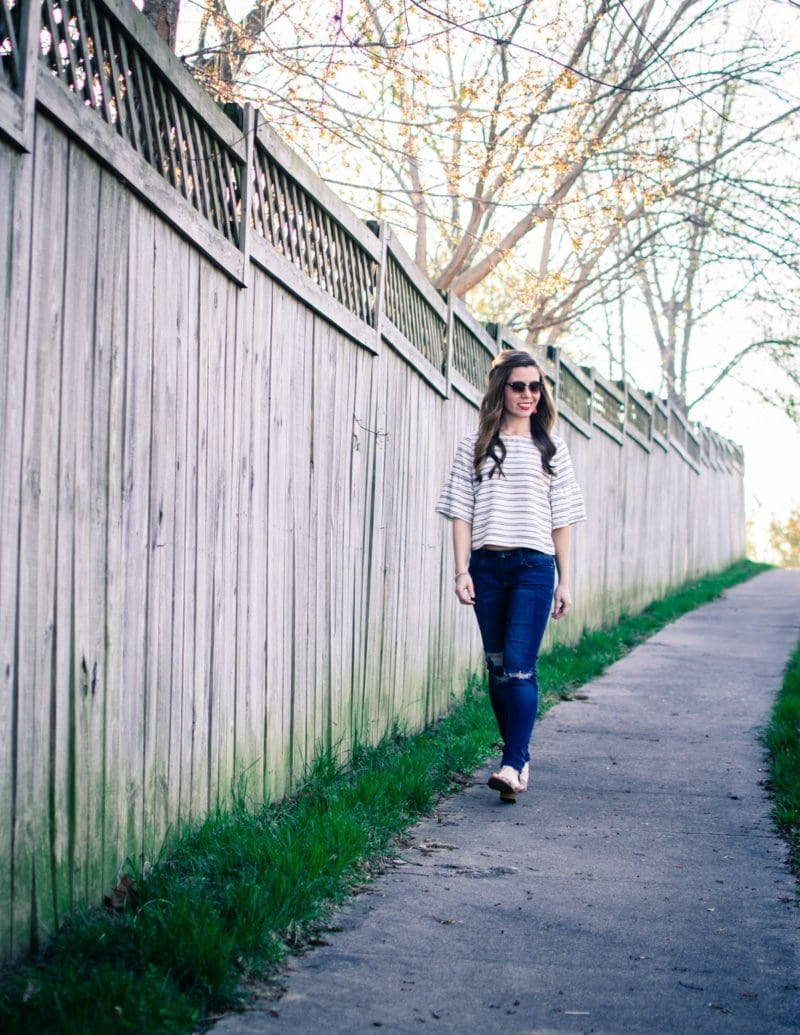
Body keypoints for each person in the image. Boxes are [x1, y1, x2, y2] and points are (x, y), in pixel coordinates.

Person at [436, 349, 586, 802]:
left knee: (519, 668)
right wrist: (461, 570)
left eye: (535, 387)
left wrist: (565, 580)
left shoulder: (553, 449)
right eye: (518, 386)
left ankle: (513, 761)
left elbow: (563, 519)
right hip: (487, 568)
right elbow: (461, 513)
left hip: (533, 570)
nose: (528, 394)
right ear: (501, 389)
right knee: (498, 668)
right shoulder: (475, 447)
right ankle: (517, 757)